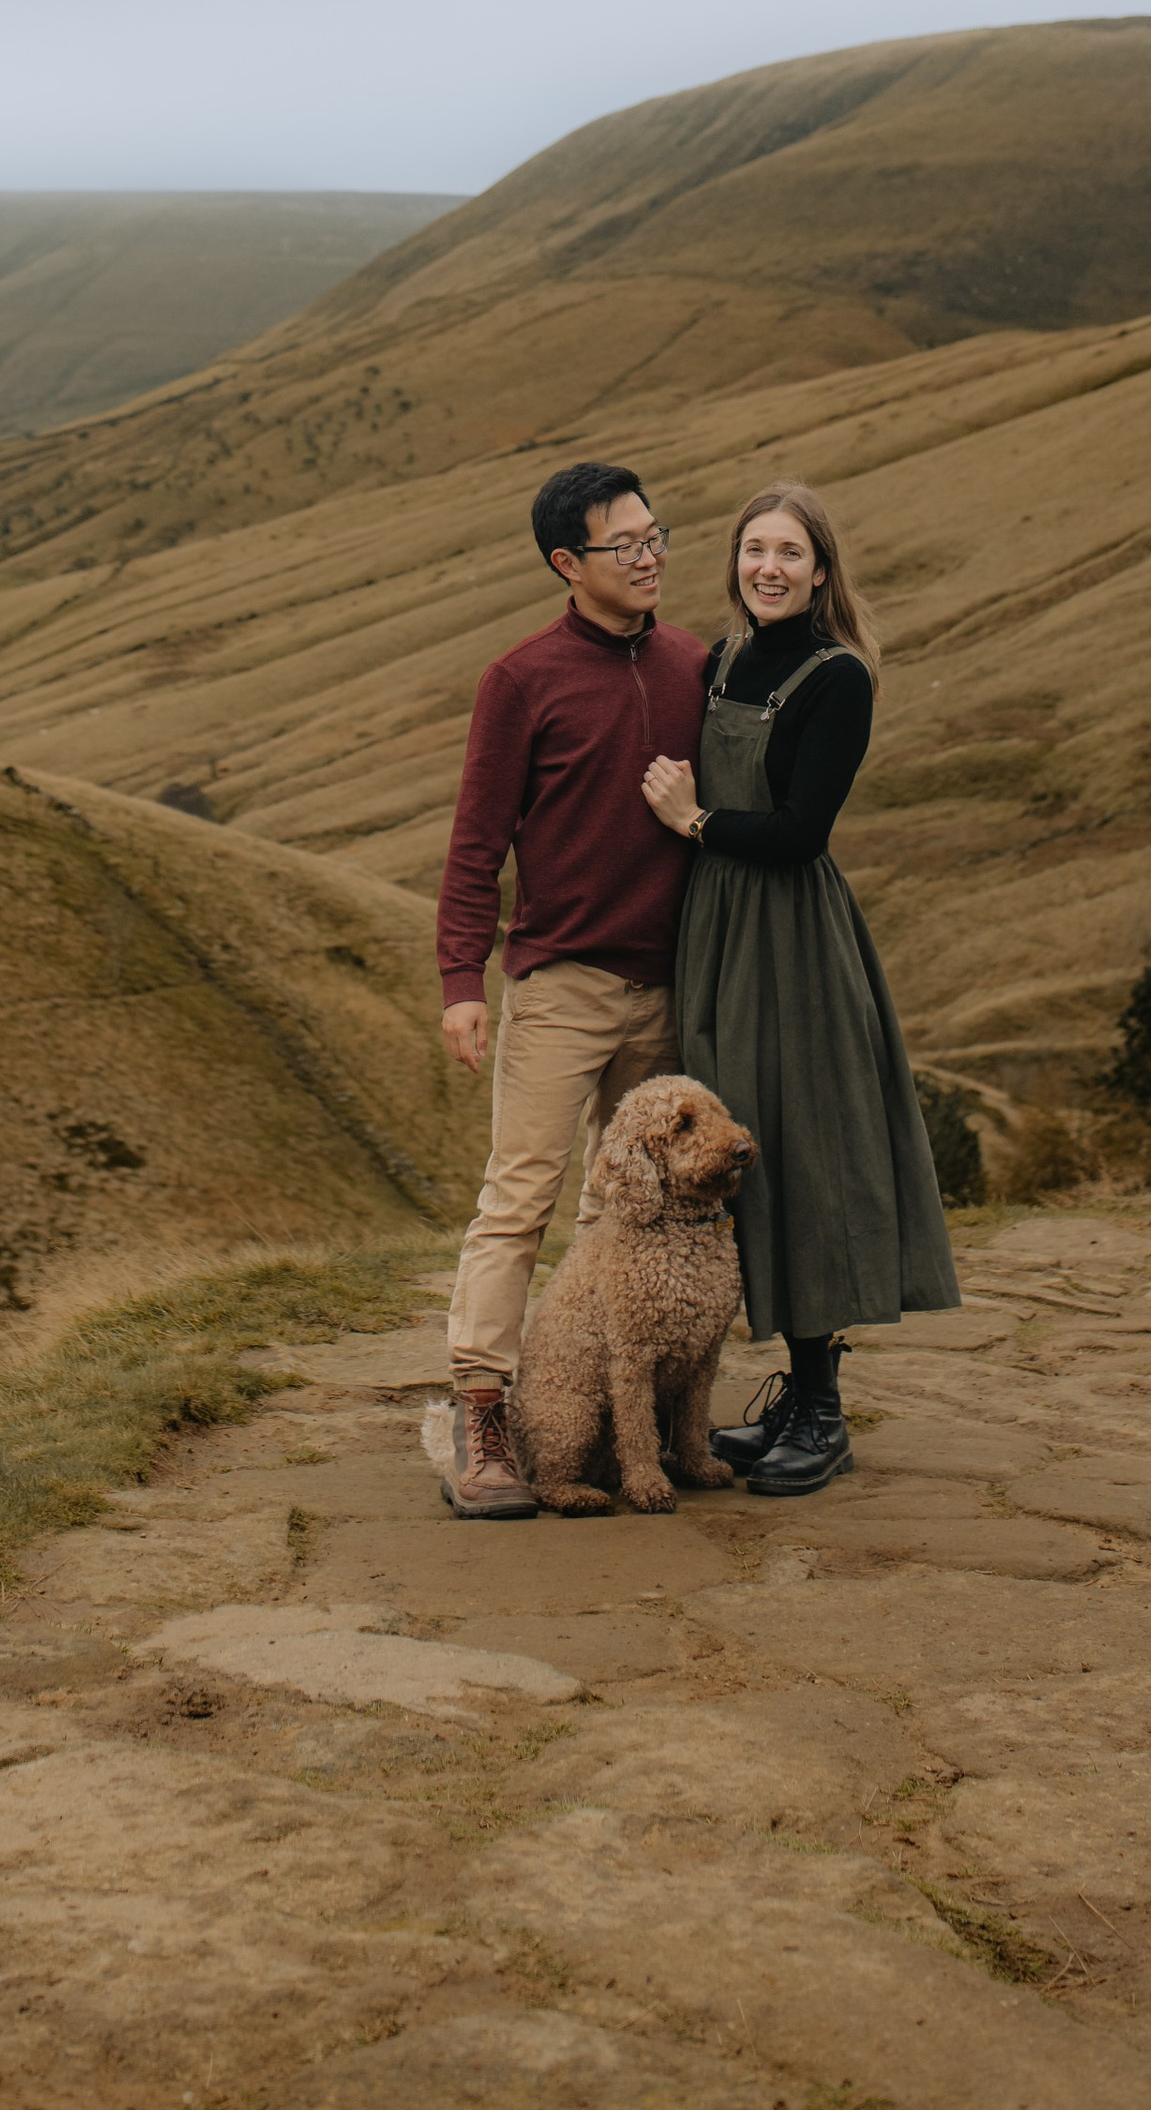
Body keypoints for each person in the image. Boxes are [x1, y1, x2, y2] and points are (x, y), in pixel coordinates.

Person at [642, 481, 959, 1498]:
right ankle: (782, 1396)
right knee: (736, 1157)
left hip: (793, 943)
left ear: (821, 571)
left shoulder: (838, 679)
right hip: (718, 936)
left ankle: (820, 1408)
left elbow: (797, 833)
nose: (767, 568)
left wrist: (693, 823)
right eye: (752, 550)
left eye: (787, 552)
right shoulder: (723, 658)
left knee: (805, 1151)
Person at [432, 458, 707, 1517]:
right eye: (621, 543)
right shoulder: (520, 680)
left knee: (655, 1214)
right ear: (565, 563)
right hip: (560, 987)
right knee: (521, 1198)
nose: (648, 555)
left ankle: (639, 1418)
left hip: (671, 987)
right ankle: (485, 1415)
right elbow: (476, 842)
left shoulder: (693, 664)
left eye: (655, 534)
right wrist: (464, 979)